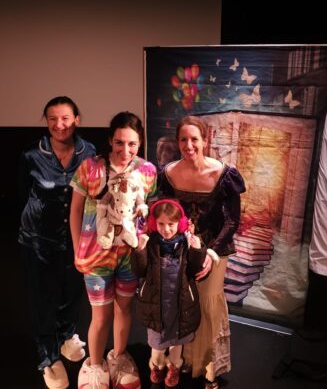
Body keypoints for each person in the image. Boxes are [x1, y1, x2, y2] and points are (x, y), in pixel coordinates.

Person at [155, 115, 246, 389]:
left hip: (215, 249)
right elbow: (166, 215)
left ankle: (209, 368)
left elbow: (232, 221)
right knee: (183, 304)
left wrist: (211, 253)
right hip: (181, 250)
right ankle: (183, 361)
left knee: (207, 305)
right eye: (183, 139)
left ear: (205, 140)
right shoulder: (168, 174)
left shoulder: (224, 174)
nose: (189, 145)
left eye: (194, 139)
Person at [69, 111, 157, 389]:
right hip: (96, 255)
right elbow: (75, 211)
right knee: (101, 315)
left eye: (132, 144)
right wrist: (77, 250)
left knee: (124, 308)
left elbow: (147, 212)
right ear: (110, 141)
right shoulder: (90, 167)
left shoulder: (148, 171)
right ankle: (95, 365)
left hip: (129, 256)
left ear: (140, 143)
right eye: (119, 142)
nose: (125, 150)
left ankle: (119, 357)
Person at [18, 96, 96, 389]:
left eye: (65, 118)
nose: (59, 124)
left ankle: (66, 335)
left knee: (72, 290)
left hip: (76, 235)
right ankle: (47, 355)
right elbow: (22, 192)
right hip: (38, 238)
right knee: (43, 297)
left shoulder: (89, 151)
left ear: (77, 119)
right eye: (52, 118)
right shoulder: (31, 154)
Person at [131, 199, 207, 388]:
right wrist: (140, 250)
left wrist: (197, 250)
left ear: (179, 223)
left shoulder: (186, 242)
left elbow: (195, 271)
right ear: (154, 223)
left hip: (179, 304)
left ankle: (174, 366)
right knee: (157, 343)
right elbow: (139, 271)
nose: (166, 229)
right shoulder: (151, 242)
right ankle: (156, 366)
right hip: (157, 304)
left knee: (177, 343)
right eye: (161, 224)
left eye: (171, 224)